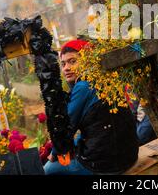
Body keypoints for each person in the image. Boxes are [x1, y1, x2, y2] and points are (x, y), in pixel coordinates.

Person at [44, 39, 139, 175]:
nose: (66, 68)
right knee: (77, 141)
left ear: (87, 61)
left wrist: (54, 154)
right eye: (63, 63)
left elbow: (64, 130)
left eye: (72, 61)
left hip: (106, 166)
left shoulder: (83, 87)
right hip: (129, 156)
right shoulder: (106, 78)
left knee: (47, 169)